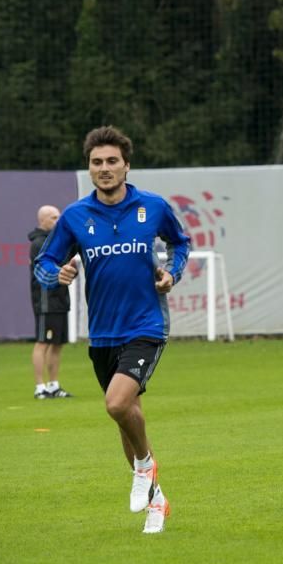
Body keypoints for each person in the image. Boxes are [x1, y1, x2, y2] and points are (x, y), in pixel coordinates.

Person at [34, 126, 190, 534]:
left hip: (146, 325)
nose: (104, 169)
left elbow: (181, 244)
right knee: (127, 415)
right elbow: (44, 264)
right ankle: (158, 501)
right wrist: (59, 272)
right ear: (89, 168)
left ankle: (143, 468)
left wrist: (171, 273)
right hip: (102, 332)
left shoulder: (152, 207)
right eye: (96, 162)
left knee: (118, 404)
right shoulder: (74, 217)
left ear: (126, 165)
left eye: (111, 161)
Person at [28, 205, 74, 400]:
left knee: (57, 344)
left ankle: (54, 385)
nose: (58, 220)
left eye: (59, 217)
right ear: (43, 220)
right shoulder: (39, 243)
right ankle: (40, 386)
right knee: (43, 343)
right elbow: (50, 269)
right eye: (54, 218)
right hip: (46, 301)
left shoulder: (57, 241)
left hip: (61, 299)